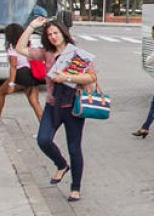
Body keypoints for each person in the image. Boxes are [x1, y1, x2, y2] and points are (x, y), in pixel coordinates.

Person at [18, 16, 98, 203]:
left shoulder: (77, 53)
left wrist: (68, 78)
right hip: (53, 105)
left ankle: (75, 188)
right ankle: (61, 165)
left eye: (56, 33)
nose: (53, 37)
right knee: (43, 139)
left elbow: (92, 77)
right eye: (49, 34)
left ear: (63, 33)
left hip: (73, 106)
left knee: (74, 148)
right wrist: (31, 27)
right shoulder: (46, 54)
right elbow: (20, 49)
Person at [0, 23, 44, 126]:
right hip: (32, 74)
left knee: (0, 92)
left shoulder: (12, 47)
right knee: (35, 102)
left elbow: (13, 66)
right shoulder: (28, 44)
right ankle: (44, 129)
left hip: (21, 74)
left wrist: (11, 83)